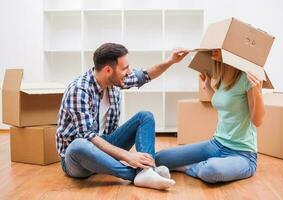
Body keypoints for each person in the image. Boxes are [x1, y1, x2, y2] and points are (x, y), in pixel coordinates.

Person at [56, 43, 188, 190]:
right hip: (79, 160)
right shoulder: (79, 90)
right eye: (125, 68)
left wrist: (171, 60)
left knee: (145, 116)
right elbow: (88, 136)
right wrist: (127, 156)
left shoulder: (114, 80)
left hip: (105, 147)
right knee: (78, 145)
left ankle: (147, 170)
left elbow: (145, 75)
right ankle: (141, 173)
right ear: (108, 70)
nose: (129, 71)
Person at [156, 49, 264, 183]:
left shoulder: (247, 79)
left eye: (217, 48)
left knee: (211, 171)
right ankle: (200, 164)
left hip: (242, 154)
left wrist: (258, 93)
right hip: (216, 144)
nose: (213, 51)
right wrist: (207, 85)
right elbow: (222, 104)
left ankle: (187, 167)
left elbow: (257, 121)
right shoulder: (223, 76)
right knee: (160, 158)